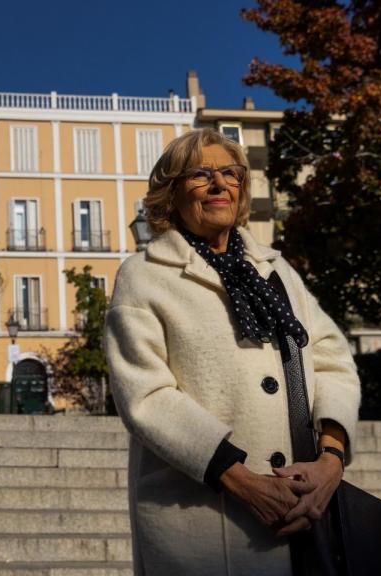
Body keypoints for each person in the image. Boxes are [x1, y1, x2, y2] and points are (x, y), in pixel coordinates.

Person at [105, 128, 361, 575]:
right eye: (200, 175)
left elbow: (332, 360)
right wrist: (242, 481)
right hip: (203, 523)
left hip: (306, 513)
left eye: (230, 173)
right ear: (170, 193)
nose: (219, 184)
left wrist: (330, 461)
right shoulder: (143, 277)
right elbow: (146, 395)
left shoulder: (277, 271)